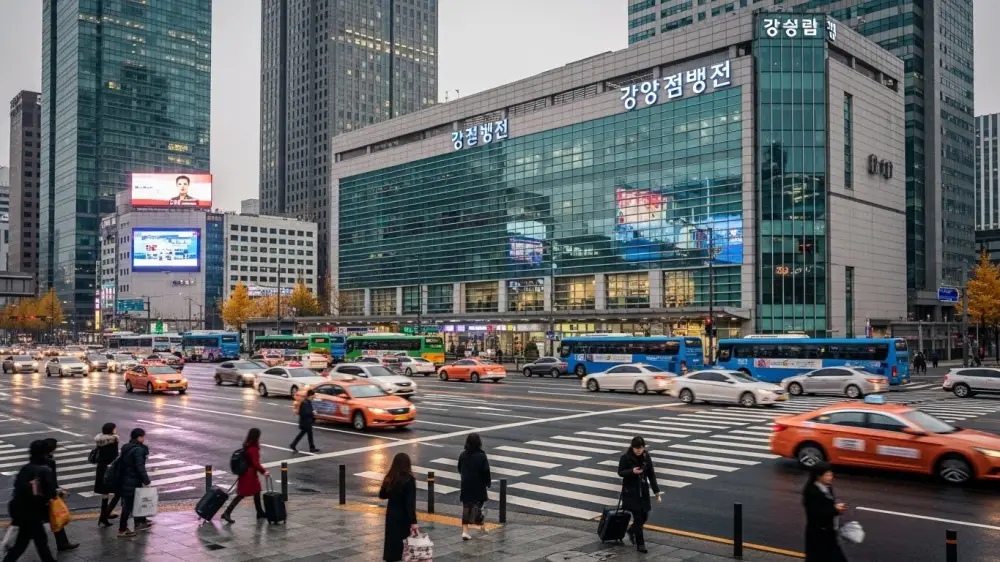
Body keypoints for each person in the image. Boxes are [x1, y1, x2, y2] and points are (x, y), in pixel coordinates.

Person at [3, 441, 58, 562]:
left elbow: (18, 488)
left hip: (20, 511)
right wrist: (59, 494)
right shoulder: (44, 470)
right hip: (34, 514)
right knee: (40, 542)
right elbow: (50, 493)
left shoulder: (25, 468)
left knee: (23, 543)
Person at [617, 436, 662, 554]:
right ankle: (640, 544)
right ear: (632, 447)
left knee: (645, 516)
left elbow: (651, 474)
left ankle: (631, 531)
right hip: (631, 492)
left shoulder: (646, 457)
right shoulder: (625, 458)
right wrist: (632, 472)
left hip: (643, 491)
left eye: (640, 448)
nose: (638, 450)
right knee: (638, 517)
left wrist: (656, 491)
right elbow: (620, 472)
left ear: (643, 447)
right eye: (636, 448)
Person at [222, 428, 269, 524]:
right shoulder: (253, 448)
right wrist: (264, 472)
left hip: (246, 473)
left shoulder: (247, 445)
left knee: (256, 492)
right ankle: (227, 513)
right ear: (257, 436)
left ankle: (260, 512)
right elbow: (255, 463)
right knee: (241, 494)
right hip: (249, 475)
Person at [803, 462, 848, 562]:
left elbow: (826, 506)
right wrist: (835, 510)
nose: (831, 477)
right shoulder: (812, 492)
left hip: (828, 531)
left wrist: (835, 507)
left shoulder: (827, 487)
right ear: (818, 476)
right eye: (827, 475)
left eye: (831, 474)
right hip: (818, 533)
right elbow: (815, 513)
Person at [378, 453, 418, 562]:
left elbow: (382, 495)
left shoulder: (390, 477)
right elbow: (410, 503)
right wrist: (413, 521)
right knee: (403, 544)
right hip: (403, 516)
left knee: (391, 541)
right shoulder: (409, 480)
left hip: (391, 514)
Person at [41, 439, 77, 551]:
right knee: (53, 518)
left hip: (40, 496)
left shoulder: (38, 460)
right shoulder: (49, 462)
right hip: (46, 497)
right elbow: (51, 481)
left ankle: (62, 543)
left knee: (56, 518)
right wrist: (59, 492)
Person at [118, 428, 152, 538]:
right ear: (139, 437)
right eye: (143, 437)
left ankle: (139, 521)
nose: (144, 439)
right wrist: (146, 481)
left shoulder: (126, 446)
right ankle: (122, 529)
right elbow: (139, 466)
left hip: (125, 479)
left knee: (132, 503)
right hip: (132, 480)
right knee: (128, 506)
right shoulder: (138, 450)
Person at [457, 433, 491, 540]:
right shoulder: (481, 455)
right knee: (478, 506)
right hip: (478, 485)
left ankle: (465, 531)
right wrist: (487, 483)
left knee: (466, 508)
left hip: (466, 485)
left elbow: (459, 468)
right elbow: (486, 471)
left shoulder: (463, 455)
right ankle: (480, 525)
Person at [94, 423, 121, 527]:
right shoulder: (113, 441)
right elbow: (114, 457)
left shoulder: (99, 440)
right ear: (112, 430)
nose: (116, 430)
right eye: (115, 428)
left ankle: (104, 516)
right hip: (110, 469)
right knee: (118, 492)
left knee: (105, 493)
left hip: (101, 468)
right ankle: (105, 515)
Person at [290, 389, 320, 453]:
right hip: (305, 422)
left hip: (306, 422)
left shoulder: (307, 402)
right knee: (310, 435)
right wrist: (312, 412)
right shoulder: (305, 403)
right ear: (309, 396)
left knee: (302, 434)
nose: (313, 398)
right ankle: (312, 448)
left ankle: (293, 444)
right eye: (312, 397)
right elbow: (305, 413)